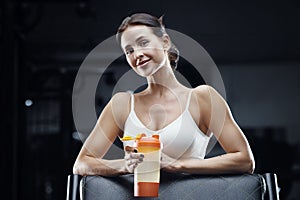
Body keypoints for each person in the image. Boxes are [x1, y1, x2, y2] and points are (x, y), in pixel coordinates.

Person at [73, 13, 255, 176]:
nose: (137, 54)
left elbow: (245, 160)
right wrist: (124, 166)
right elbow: (81, 164)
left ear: (165, 42)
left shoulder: (203, 99)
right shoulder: (122, 104)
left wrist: (176, 165)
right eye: (129, 50)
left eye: (143, 43)